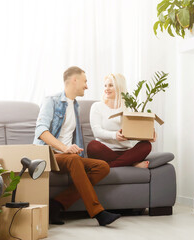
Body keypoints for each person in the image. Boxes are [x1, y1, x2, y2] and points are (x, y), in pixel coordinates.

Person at [33, 66, 121, 226]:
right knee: (74, 160)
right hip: (47, 154)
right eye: (85, 81)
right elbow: (41, 131)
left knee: (102, 167)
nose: (87, 86)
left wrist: (71, 150)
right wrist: (64, 148)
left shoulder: (75, 106)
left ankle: (57, 204)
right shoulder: (51, 101)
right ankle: (98, 212)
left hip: (67, 157)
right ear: (75, 80)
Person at [87, 73, 154, 168]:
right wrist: (115, 135)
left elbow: (136, 131)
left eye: (111, 85)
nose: (107, 88)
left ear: (119, 87)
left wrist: (149, 135)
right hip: (106, 152)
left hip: (126, 152)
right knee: (93, 146)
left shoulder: (129, 108)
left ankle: (111, 165)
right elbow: (97, 132)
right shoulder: (97, 106)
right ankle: (130, 164)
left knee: (146, 145)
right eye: (105, 85)